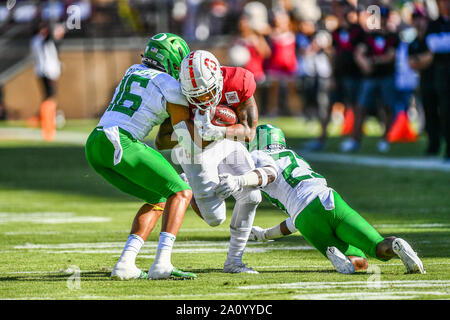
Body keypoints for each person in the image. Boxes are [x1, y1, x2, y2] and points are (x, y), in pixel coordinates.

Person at [215, 124, 426, 274]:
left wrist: (234, 180)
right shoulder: (295, 158)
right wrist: (266, 235)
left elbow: (294, 216)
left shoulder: (258, 156)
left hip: (305, 216)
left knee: (360, 261)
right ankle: (396, 243)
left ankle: (346, 263)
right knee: (379, 248)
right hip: (329, 198)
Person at [85, 33, 196, 281]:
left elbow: (161, 139)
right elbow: (185, 135)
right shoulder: (170, 84)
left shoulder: (132, 69)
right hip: (121, 141)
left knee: (158, 197)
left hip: (96, 142)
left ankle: (126, 263)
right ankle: (162, 264)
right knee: (181, 192)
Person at [155, 50, 261, 273]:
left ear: (219, 79)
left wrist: (217, 131)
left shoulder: (238, 80)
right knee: (215, 218)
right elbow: (162, 141)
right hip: (195, 151)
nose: (203, 100)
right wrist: (191, 135)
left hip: (225, 138)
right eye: (196, 96)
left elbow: (249, 132)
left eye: (206, 93)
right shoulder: (178, 93)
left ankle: (234, 262)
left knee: (252, 194)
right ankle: (190, 185)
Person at [304, 0, 364, 151]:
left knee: (355, 106)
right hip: (339, 75)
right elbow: (334, 56)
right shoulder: (336, 32)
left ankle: (354, 139)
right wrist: (331, 76)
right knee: (329, 106)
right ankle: (321, 138)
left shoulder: (358, 31)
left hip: (354, 75)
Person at [341, 6, 399, 153]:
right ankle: (355, 139)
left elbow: (391, 56)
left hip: (387, 76)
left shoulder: (393, 36)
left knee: (387, 107)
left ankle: (385, 138)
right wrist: (365, 63)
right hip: (370, 78)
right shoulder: (368, 36)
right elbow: (359, 53)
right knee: (361, 107)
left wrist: (372, 61)